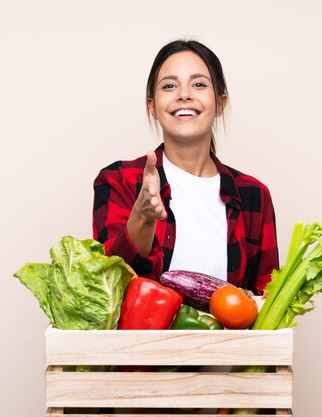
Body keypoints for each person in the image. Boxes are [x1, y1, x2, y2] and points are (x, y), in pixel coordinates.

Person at [92, 39, 278, 294]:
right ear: (152, 105)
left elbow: (267, 299)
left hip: (232, 336)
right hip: (144, 336)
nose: (184, 94)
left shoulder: (254, 196)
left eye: (199, 84)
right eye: (169, 86)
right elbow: (109, 287)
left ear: (220, 103)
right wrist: (142, 217)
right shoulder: (120, 181)